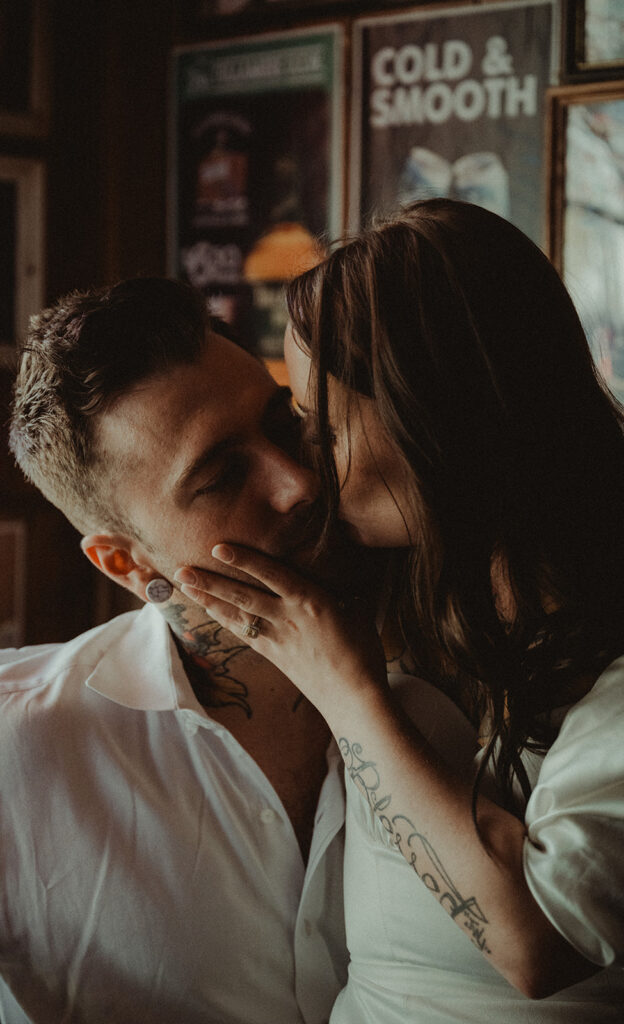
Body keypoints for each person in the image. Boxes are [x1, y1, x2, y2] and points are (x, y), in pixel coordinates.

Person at [175, 199, 624, 1021]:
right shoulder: (414, 588)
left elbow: (536, 944)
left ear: (436, 419)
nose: (307, 471)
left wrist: (348, 692)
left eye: (321, 427)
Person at [2, 276, 380, 1024]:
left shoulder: (474, 670)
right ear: (126, 564)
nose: (299, 481)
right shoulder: (20, 756)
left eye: (284, 421)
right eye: (221, 477)